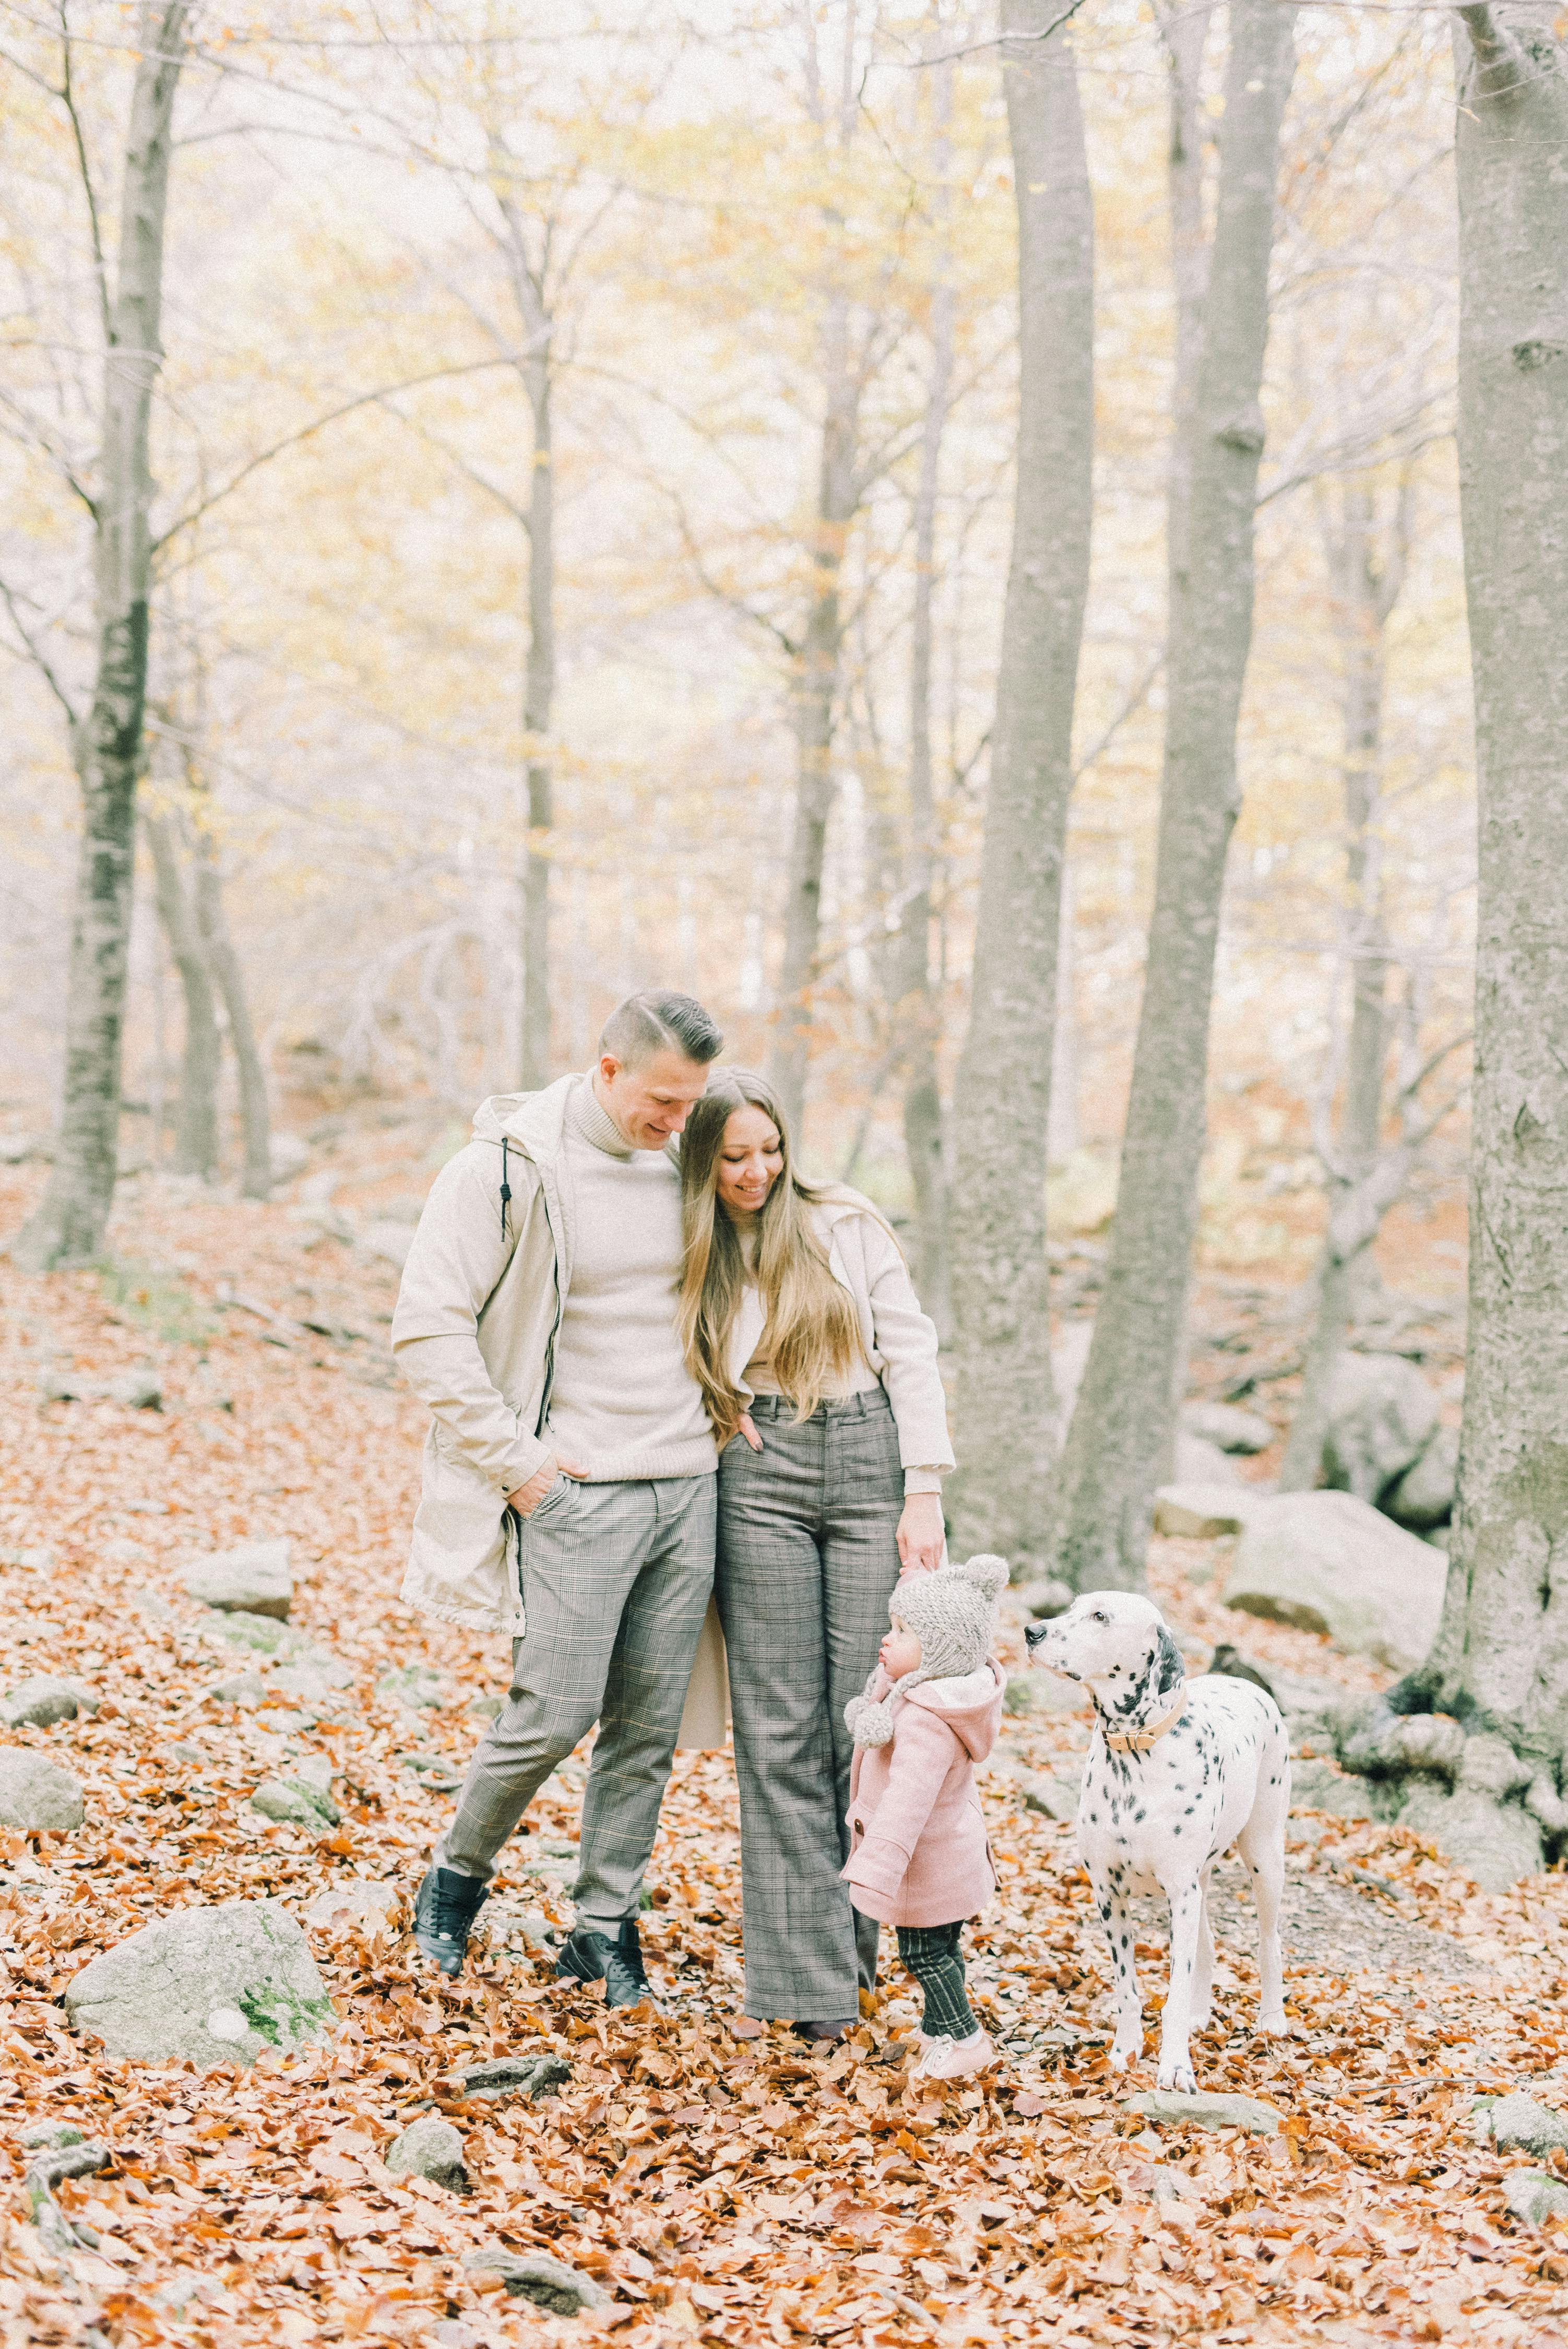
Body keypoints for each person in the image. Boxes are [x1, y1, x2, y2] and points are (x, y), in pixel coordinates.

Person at [393, 990, 724, 2002]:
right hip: (576, 1491)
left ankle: (601, 1927)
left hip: (688, 1484)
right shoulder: (505, 1168)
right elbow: (426, 1328)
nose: (678, 1121)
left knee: (647, 1728)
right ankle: (453, 1882)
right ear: (608, 1068)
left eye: (692, 1102)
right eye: (662, 1100)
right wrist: (519, 1465)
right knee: (552, 1710)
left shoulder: (687, 1162)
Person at [678, 1067, 954, 2040]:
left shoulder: (843, 1224)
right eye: (733, 1158)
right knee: (778, 1733)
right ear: (702, 1163)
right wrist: (716, 1406)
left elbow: (910, 1349)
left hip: (869, 1454)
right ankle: (803, 1997)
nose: (756, 1173)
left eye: (769, 1151)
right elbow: (648, 1347)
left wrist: (922, 1490)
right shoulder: (691, 1244)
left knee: (862, 1724)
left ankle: (852, 1959)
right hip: (760, 1476)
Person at [841, 1554, 1007, 2082]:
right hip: (946, 1857)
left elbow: (906, 1801)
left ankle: (965, 2038)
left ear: (938, 1652)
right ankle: (940, 2026)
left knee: (924, 1956)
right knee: (940, 1949)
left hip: (924, 1865)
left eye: (904, 1632)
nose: (888, 1639)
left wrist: (877, 1862)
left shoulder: (926, 1722)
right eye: (893, 1626)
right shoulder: (930, 1697)